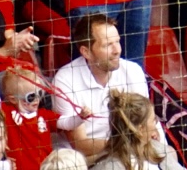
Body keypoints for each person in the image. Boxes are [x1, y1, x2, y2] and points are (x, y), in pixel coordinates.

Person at [51, 14, 150, 158]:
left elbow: (146, 125)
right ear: (86, 52)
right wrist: (127, 144)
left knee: (169, 153)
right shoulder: (65, 79)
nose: (117, 50)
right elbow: (81, 144)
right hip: (89, 158)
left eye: (117, 41)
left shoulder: (133, 70)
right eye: (107, 45)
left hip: (132, 149)